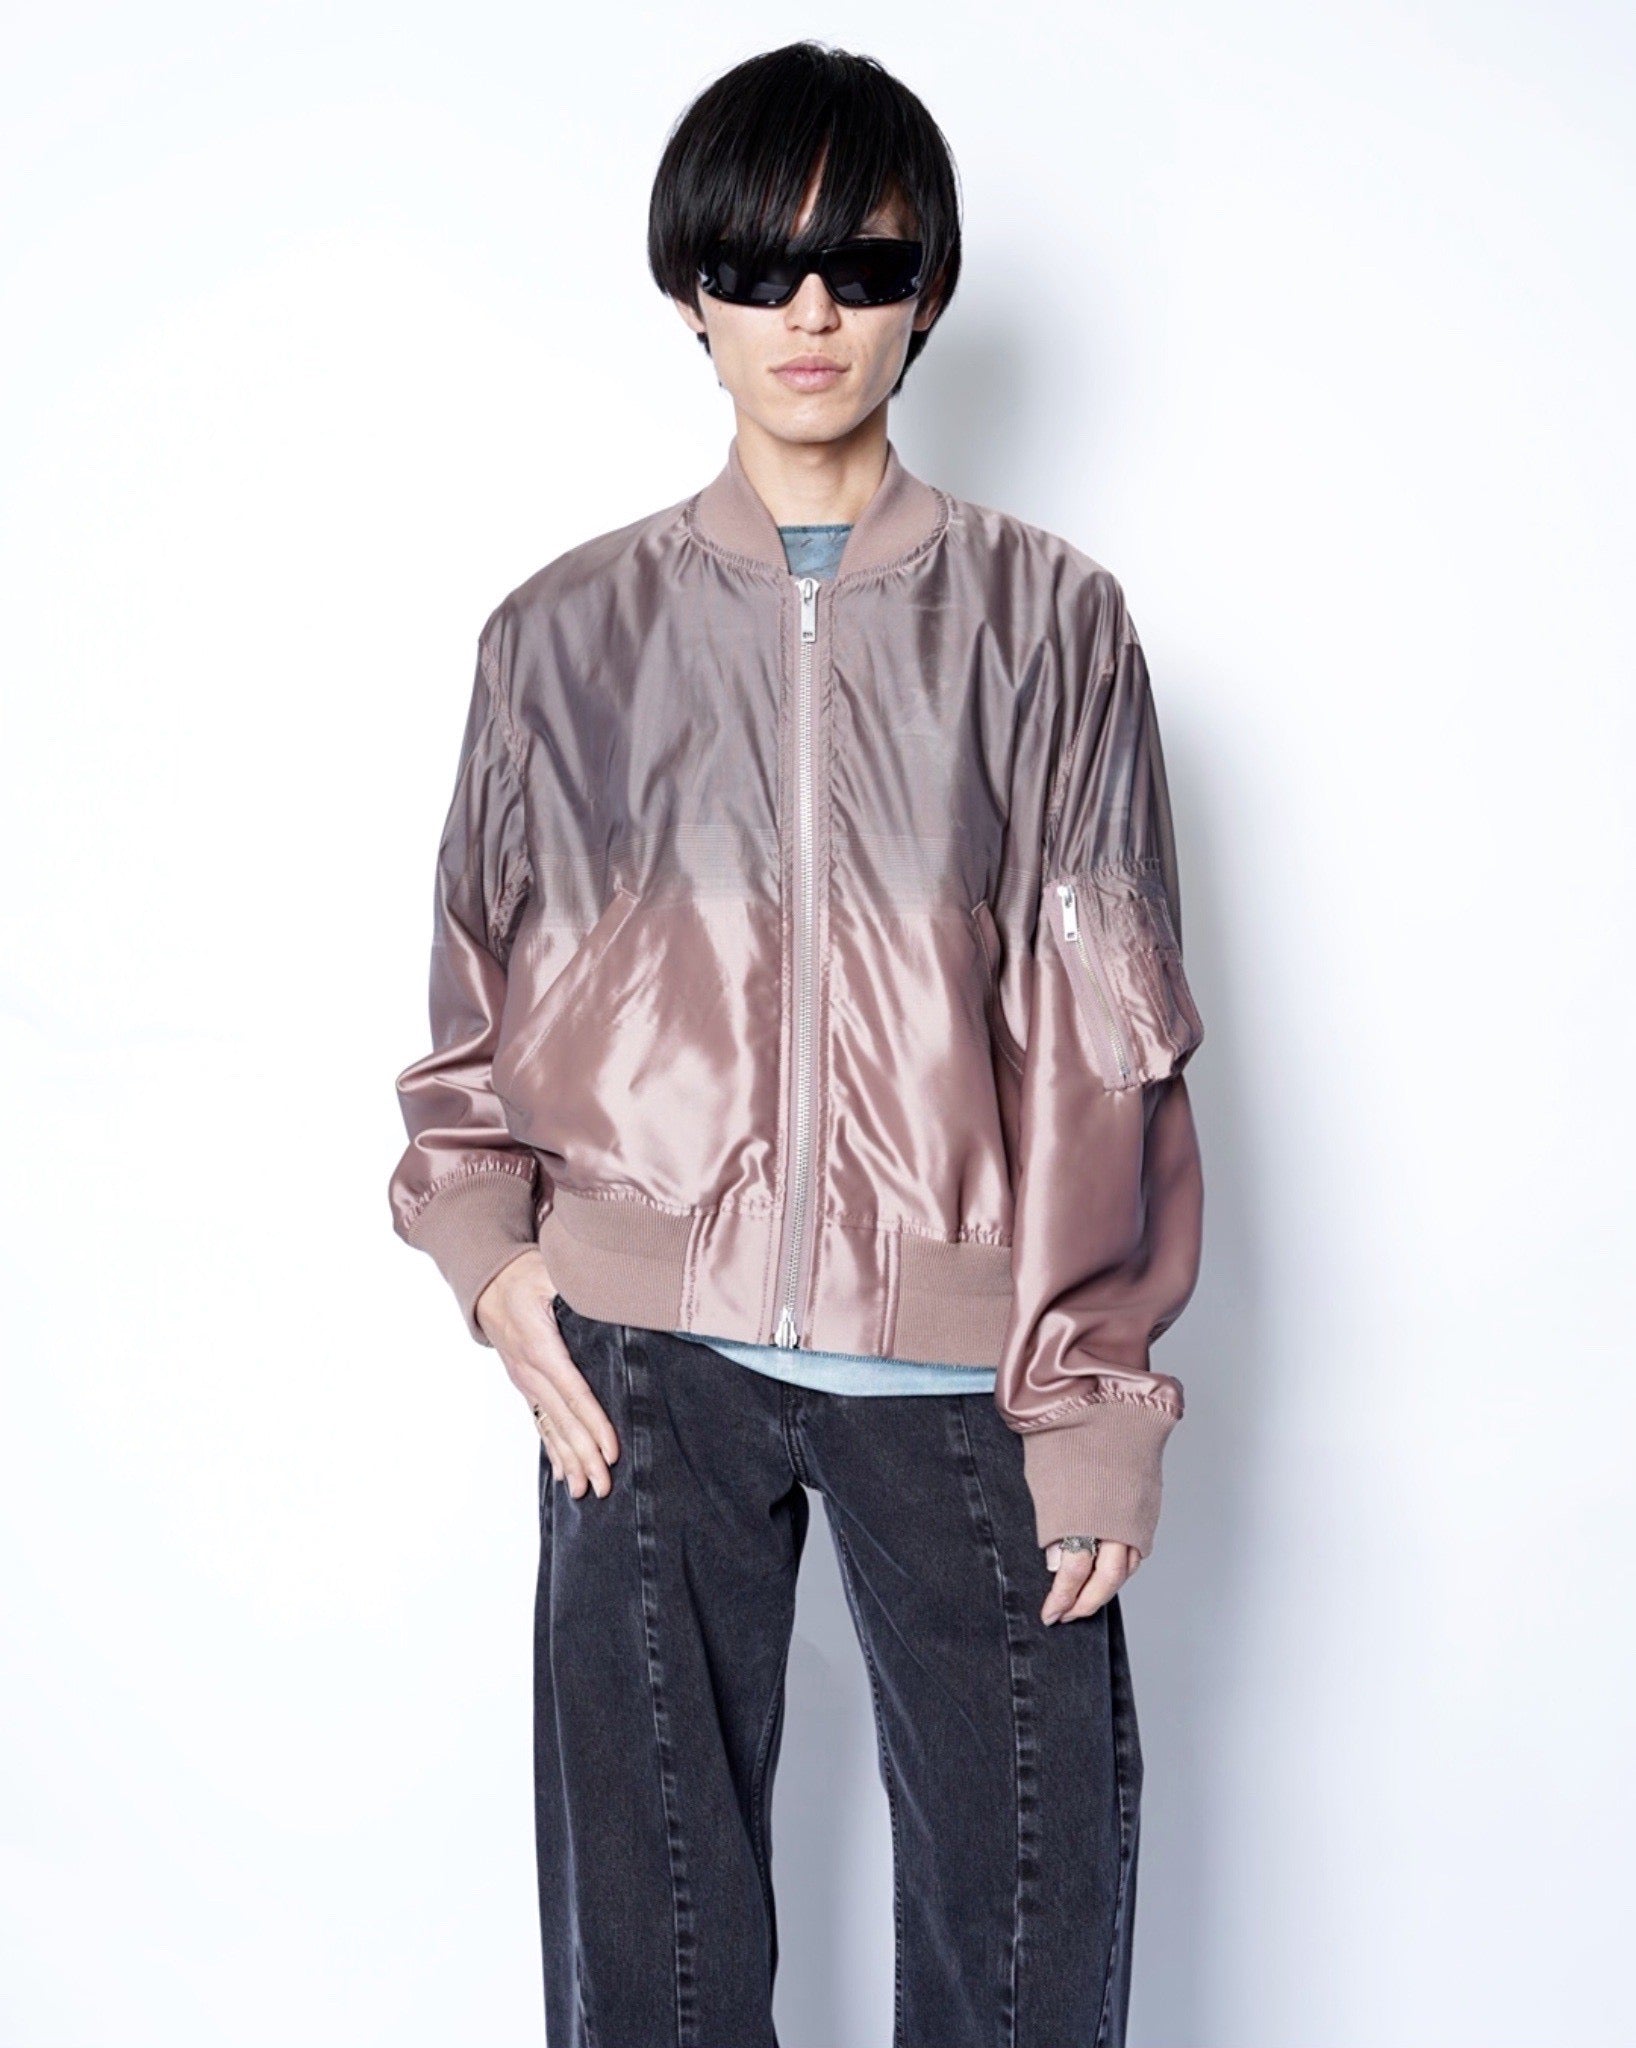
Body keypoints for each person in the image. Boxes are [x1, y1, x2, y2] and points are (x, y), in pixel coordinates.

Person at [388, 38, 1206, 2047]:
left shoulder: (1049, 626)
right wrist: (492, 1263)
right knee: (651, 1985)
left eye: (864, 261)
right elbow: (476, 995)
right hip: (639, 1373)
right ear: (694, 292)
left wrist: (1092, 1398)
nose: (811, 310)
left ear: (929, 287)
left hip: (963, 1370)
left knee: (1023, 1960)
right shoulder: (559, 638)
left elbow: (1109, 1043)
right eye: (760, 265)